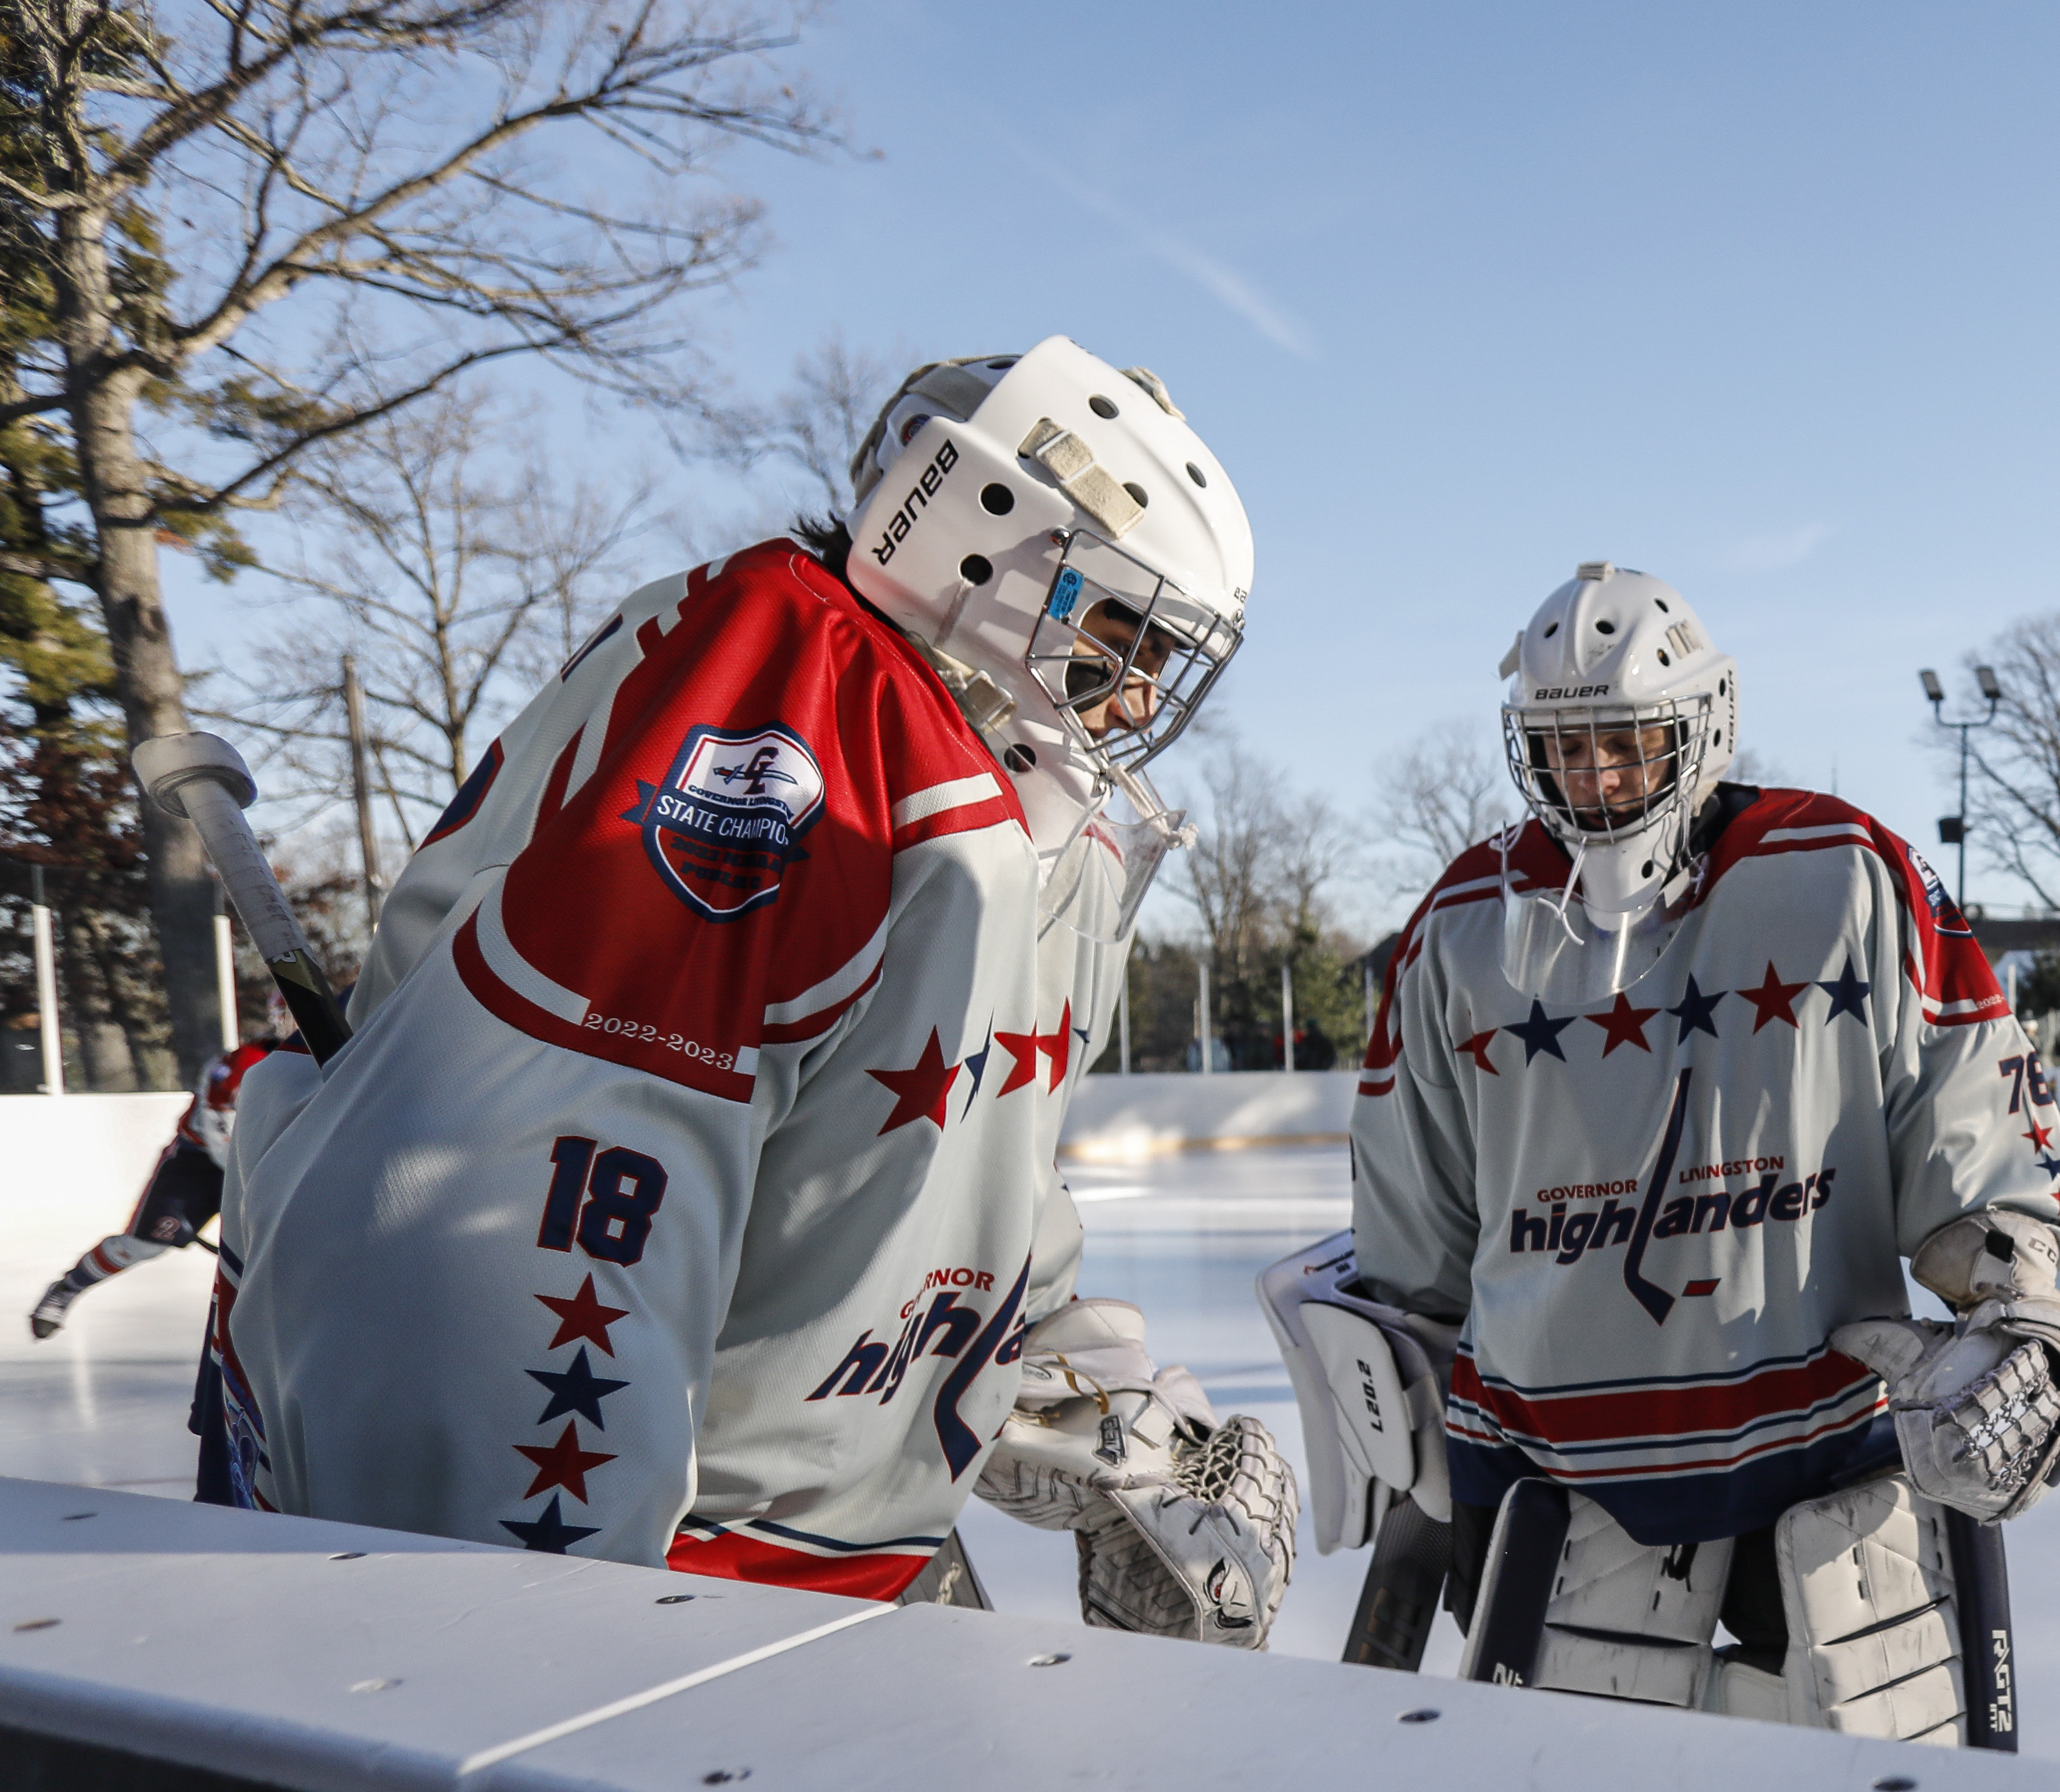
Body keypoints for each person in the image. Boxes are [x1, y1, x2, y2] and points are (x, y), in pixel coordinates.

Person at [218, 338, 1296, 1635]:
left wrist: (1078, 1400)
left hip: (834, 1571)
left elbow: (943, 1182)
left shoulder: (1011, 807)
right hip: (701, 1605)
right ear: (978, 535)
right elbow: (555, 1198)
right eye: (1117, 636)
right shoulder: (790, 710)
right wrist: (550, 1629)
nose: (1134, 702)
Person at [1266, 563, 2060, 1744]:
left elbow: (1965, 1103)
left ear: (1700, 727)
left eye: (1627, 743)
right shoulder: (1463, 927)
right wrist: (1403, 1410)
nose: (1596, 780)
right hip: (1554, 1498)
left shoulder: (1846, 874)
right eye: (1565, 750)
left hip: (1829, 1475)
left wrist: (2011, 1291)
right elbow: (1416, 1219)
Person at [31, 1028, 300, 1340]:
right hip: (198, 1165)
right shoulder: (247, 1061)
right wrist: (254, 1181)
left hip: (269, 1165)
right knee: (146, 1243)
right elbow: (220, 1134)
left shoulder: (332, 1056)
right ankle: (69, 1288)